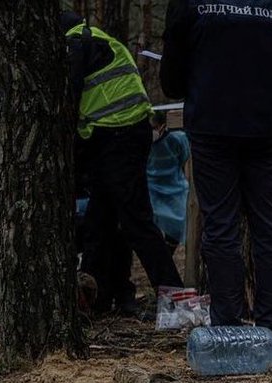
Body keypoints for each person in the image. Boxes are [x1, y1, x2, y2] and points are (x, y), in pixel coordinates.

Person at [160, 0, 272, 339]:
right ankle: (271, 327)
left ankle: (227, 326)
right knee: (268, 226)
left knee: (222, 227)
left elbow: (171, 77)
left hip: (214, 123)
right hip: (265, 125)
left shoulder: (191, 4)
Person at [64, 12, 185, 315]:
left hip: (116, 134)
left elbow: (68, 99)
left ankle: (176, 297)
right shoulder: (95, 37)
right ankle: (95, 296)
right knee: (99, 220)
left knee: (134, 220)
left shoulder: (75, 43)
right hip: (123, 132)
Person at [146, 112, 190, 258]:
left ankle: (167, 255)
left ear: (162, 127)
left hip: (174, 187)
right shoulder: (144, 144)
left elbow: (184, 156)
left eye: (154, 127)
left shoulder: (176, 139)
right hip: (152, 189)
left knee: (176, 226)